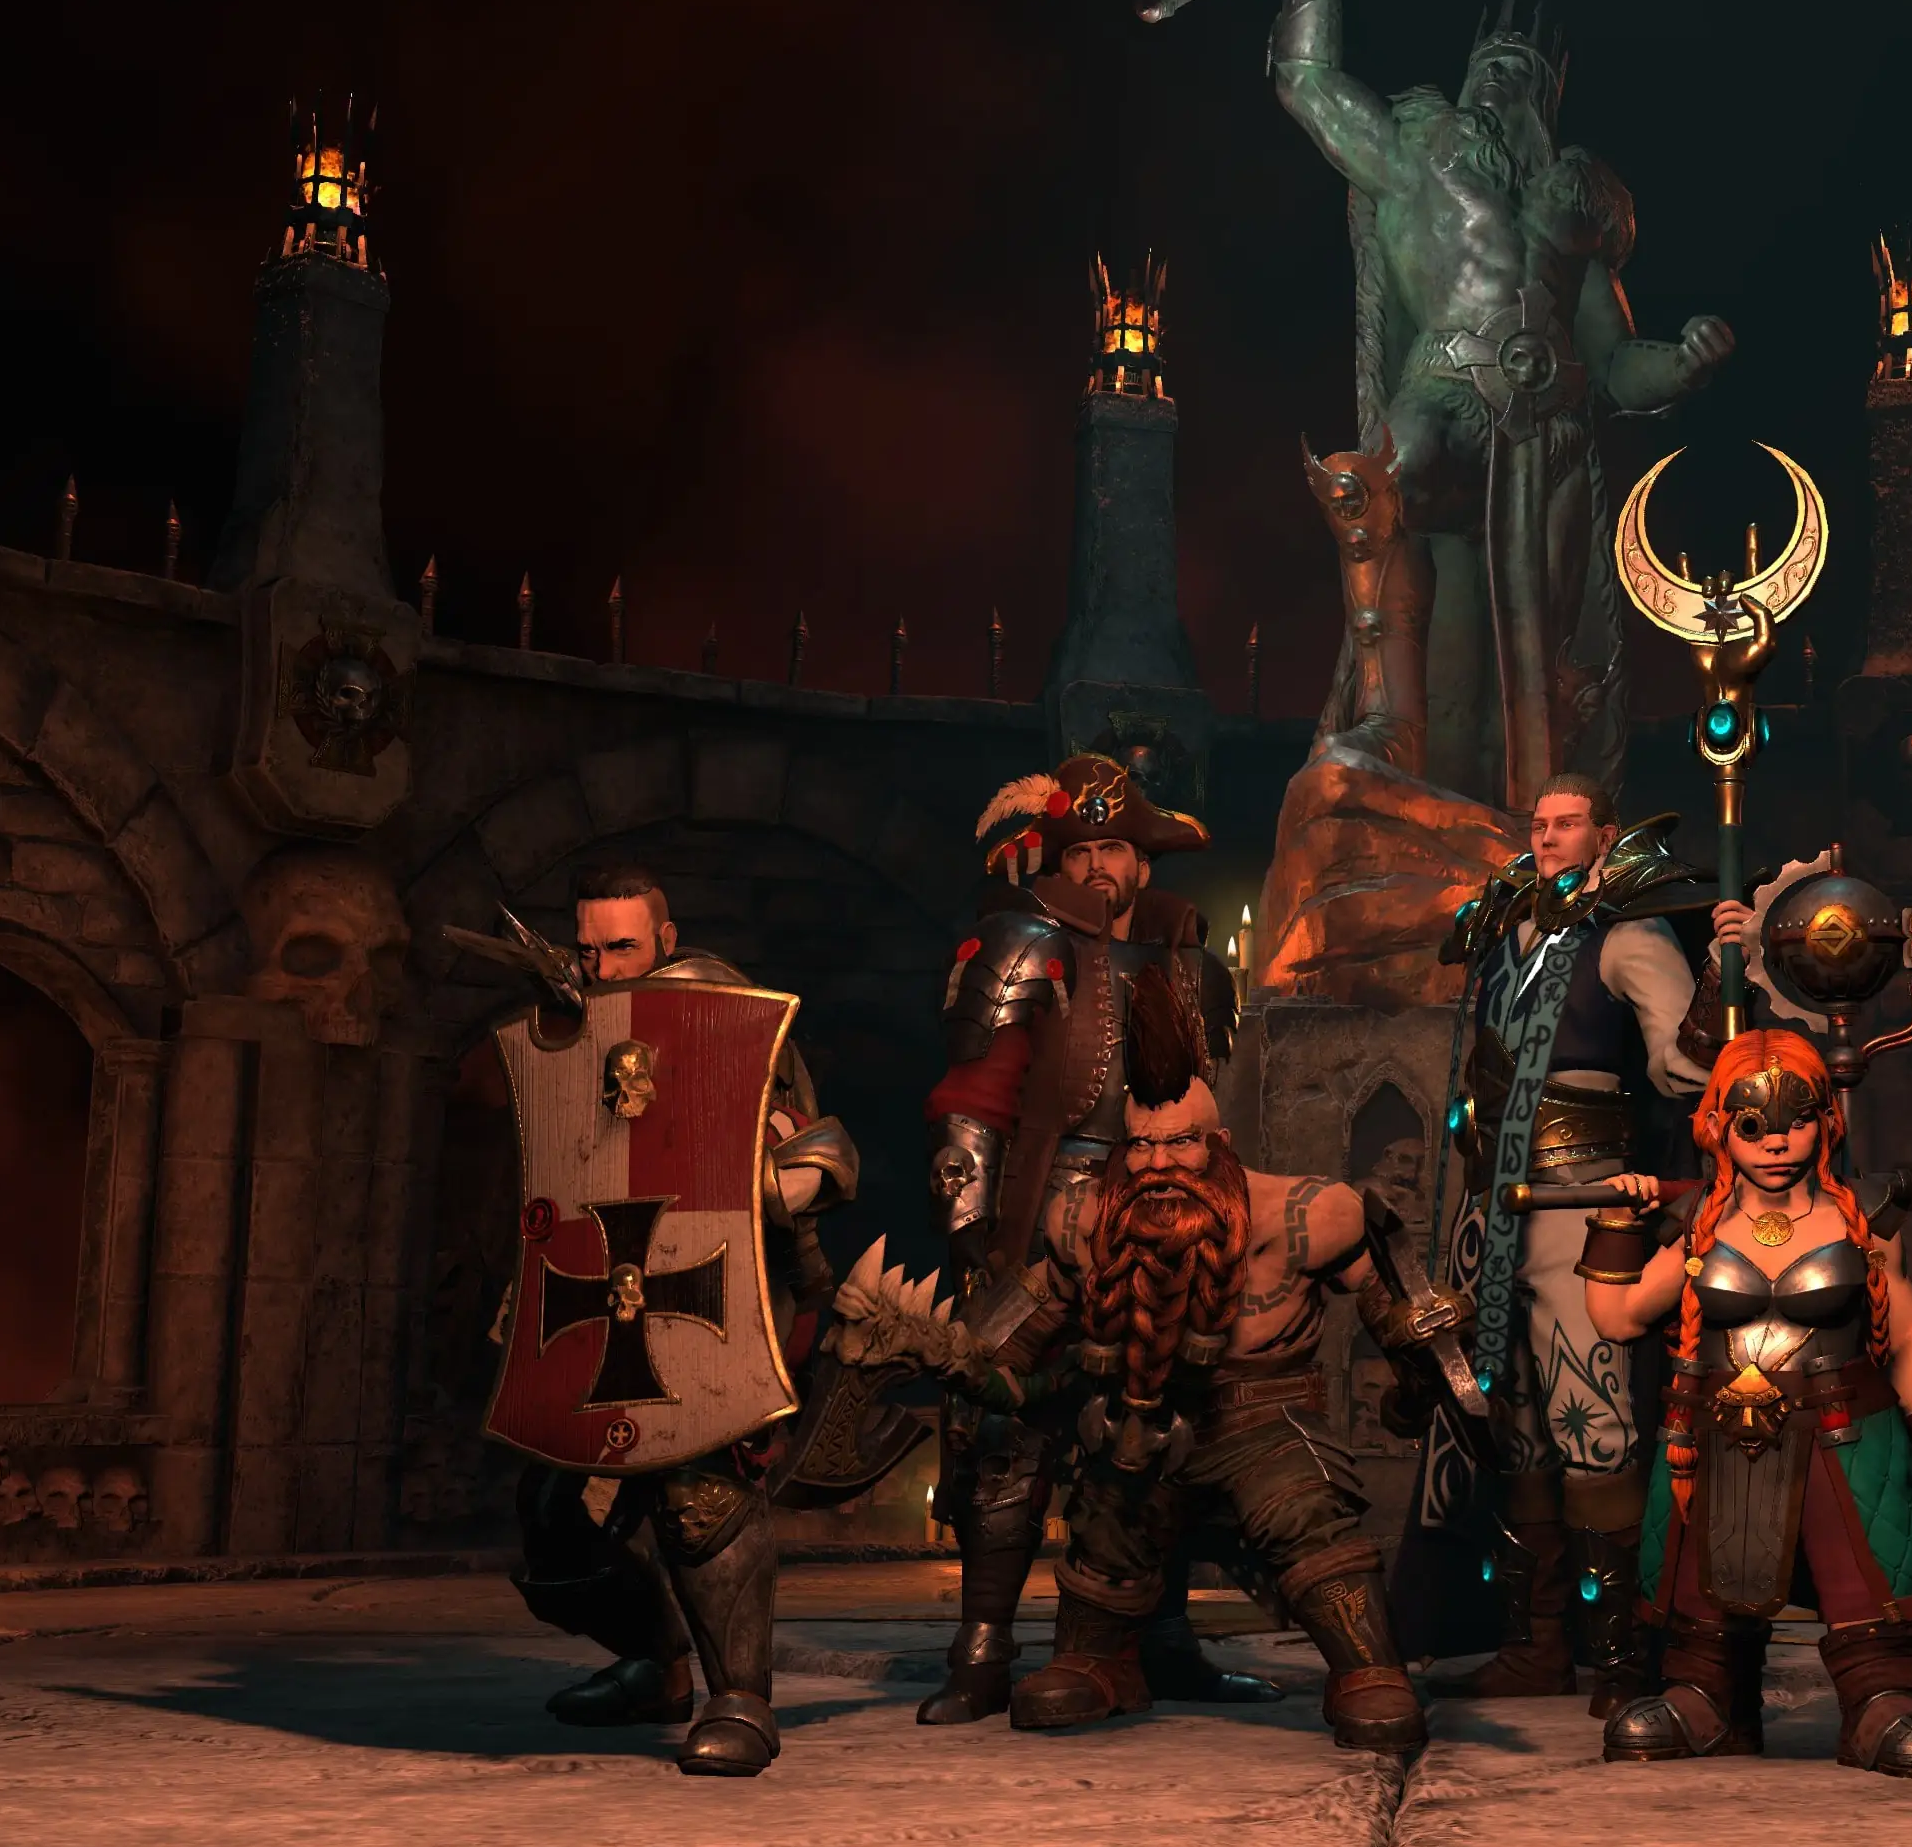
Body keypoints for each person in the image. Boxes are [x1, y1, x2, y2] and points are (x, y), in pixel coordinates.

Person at [836, 1064, 1479, 1753]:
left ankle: (1366, 1670)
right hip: (1138, 1428)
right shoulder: (1083, 1221)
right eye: (1141, 1145)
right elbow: (1008, 1347)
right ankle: (1099, 1663)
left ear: (1219, 1143)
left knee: (1302, 1512)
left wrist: (1420, 1342)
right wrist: (932, 1347)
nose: (1159, 1164)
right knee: (1106, 1526)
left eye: (1180, 1142)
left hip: (1263, 1421)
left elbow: (1394, 1309)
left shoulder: (1304, 1213)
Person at [1268, 0, 1734, 808]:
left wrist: (1682, 363)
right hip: (1442, 388)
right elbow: (1304, 81)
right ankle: (1389, 717)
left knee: (1533, 648)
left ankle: (1529, 803)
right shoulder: (1417, 154)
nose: (1494, 82)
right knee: (1375, 487)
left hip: (1544, 436)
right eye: (1488, 67)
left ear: (1542, 104)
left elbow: (1613, 364)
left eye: (1516, 74)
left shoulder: (1570, 211)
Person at [910, 754, 1275, 1723]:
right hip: (1043, 1219)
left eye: (1115, 848)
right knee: (1010, 1434)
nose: (1099, 866)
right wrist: (974, 1229)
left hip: (1168, 1220)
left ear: (1143, 863)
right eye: (1082, 850)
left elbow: (1213, 1109)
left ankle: (1160, 1640)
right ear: (1056, 859)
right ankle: (982, 1652)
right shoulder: (1022, 944)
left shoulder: (1190, 963)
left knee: (1165, 1428)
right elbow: (974, 1100)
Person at [492, 861, 858, 1777]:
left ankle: (742, 1701)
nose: (604, 967)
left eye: (623, 947)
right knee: (553, 1522)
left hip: (703, 1291)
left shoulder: (717, 1014)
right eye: (589, 950)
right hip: (595, 1289)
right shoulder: (575, 1027)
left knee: (699, 1492)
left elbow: (810, 1145)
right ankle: (656, 1665)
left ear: (665, 938)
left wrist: (770, 1179)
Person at [1577, 1031, 1912, 1777]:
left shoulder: (1862, 1219)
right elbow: (1619, 1319)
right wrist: (1618, 1220)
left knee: (1865, 1573)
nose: (1776, 1142)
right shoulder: (1698, 1224)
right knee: (1704, 1578)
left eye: (1796, 1120)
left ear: (1825, 1121)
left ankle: (1881, 1697)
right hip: (1713, 1434)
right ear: (1719, 1127)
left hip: (1845, 1432)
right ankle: (1706, 1696)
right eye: (1753, 1124)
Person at [1426, 773, 1716, 1711]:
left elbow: (1680, 1066)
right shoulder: (1507, 933)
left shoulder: (1628, 933)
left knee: (1594, 1422)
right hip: (1493, 1209)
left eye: (1567, 824)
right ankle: (1535, 1646)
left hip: (1580, 1203)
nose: (1548, 838)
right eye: (1539, 824)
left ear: (1605, 832)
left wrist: (1726, 988)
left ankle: (1624, 1656)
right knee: (1511, 1425)